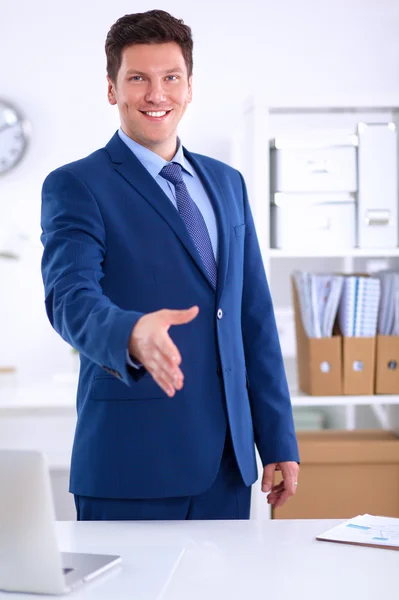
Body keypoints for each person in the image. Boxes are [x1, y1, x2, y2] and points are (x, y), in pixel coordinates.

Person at [40, 9, 299, 521]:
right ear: (113, 90)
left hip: (228, 467)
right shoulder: (78, 184)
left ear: (189, 86)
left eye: (170, 77)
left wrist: (278, 438)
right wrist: (131, 333)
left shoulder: (228, 183)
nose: (156, 94)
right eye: (138, 78)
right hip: (131, 464)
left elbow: (252, 318)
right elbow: (69, 298)